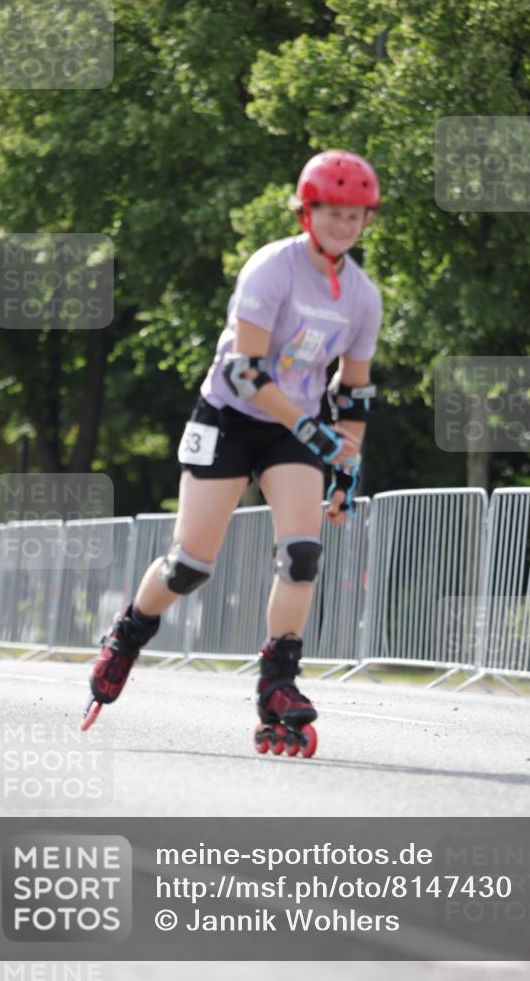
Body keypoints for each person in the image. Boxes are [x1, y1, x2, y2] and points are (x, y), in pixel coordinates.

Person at [84, 149, 382, 756]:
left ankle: (279, 683)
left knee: (301, 555)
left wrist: (346, 464)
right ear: (307, 211)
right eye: (332, 212)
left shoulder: (363, 297)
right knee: (191, 565)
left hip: (287, 432)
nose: (343, 226)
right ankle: (128, 633)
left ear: (366, 221)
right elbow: (245, 373)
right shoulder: (272, 268)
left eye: (355, 217)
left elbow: (354, 392)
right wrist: (313, 428)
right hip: (229, 415)